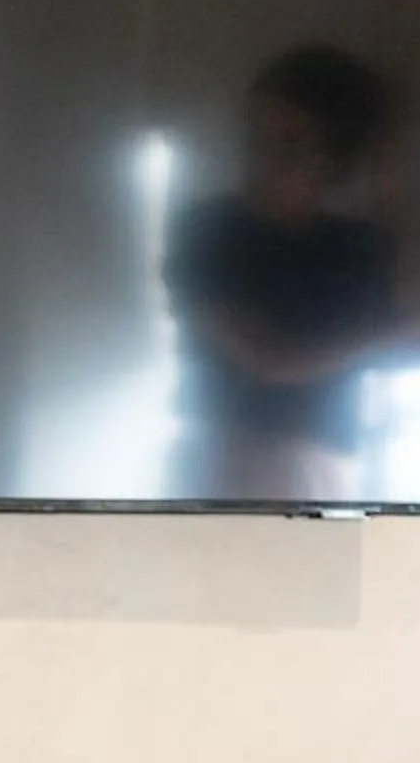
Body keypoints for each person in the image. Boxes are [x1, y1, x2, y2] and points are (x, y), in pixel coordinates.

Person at [167, 43, 403, 504]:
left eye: (290, 146)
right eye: (256, 137)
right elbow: (269, 359)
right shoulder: (205, 229)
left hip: (322, 473)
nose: (263, 159)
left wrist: (394, 188)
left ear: (334, 159)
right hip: (219, 461)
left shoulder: (359, 244)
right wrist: (395, 334)